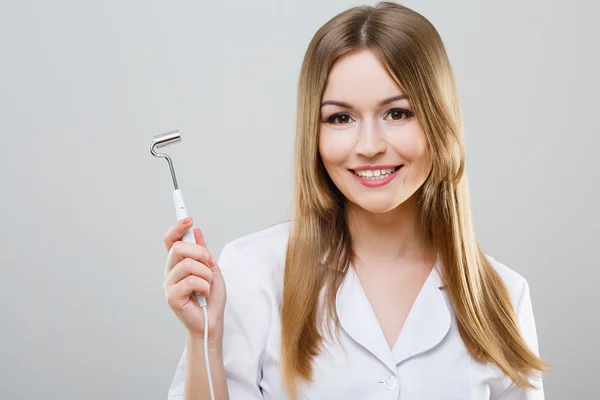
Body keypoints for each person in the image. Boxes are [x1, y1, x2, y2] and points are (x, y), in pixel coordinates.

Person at [162, 2, 549, 399]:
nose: (369, 146)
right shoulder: (253, 272)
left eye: (398, 113)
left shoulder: (504, 295)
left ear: (440, 119)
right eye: (340, 118)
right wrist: (204, 341)